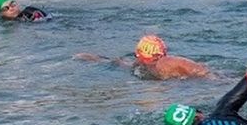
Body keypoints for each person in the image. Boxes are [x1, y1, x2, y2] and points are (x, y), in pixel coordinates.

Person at [76, 34, 211, 79]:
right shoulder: (169, 62)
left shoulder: (165, 63)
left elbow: (116, 62)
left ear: (139, 54)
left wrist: (88, 57)